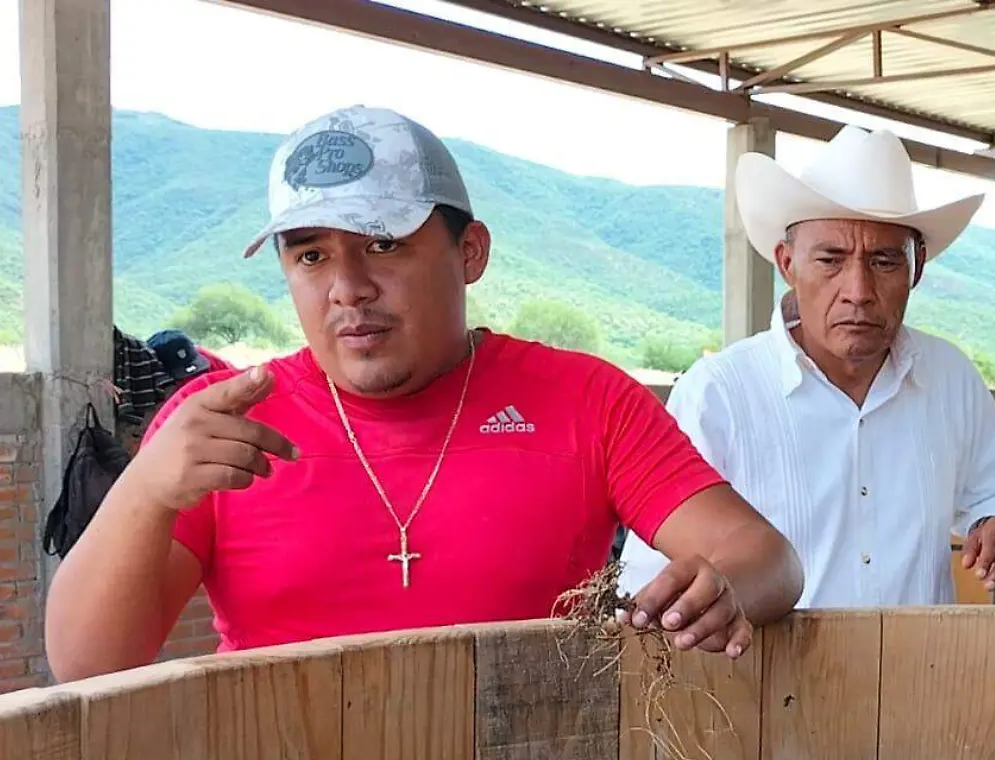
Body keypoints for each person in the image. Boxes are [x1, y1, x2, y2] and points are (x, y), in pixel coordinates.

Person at [44, 105, 803, 682]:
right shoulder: (219, 422)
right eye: (311, 255)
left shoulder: (584, 399)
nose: (348, 289)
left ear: (468, 253)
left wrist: (723, 587)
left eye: (384, 244)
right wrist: (145, 490)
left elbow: (765, 557)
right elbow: (87, 665)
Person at [617, 125, 995, 608]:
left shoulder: (949, 379)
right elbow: (652, 574)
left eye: (885, 262)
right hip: (766, 682)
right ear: (787, 263)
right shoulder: (720, 394)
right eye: (830, 260)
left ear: (917, 267)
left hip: (922, 677)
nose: (859, 290)